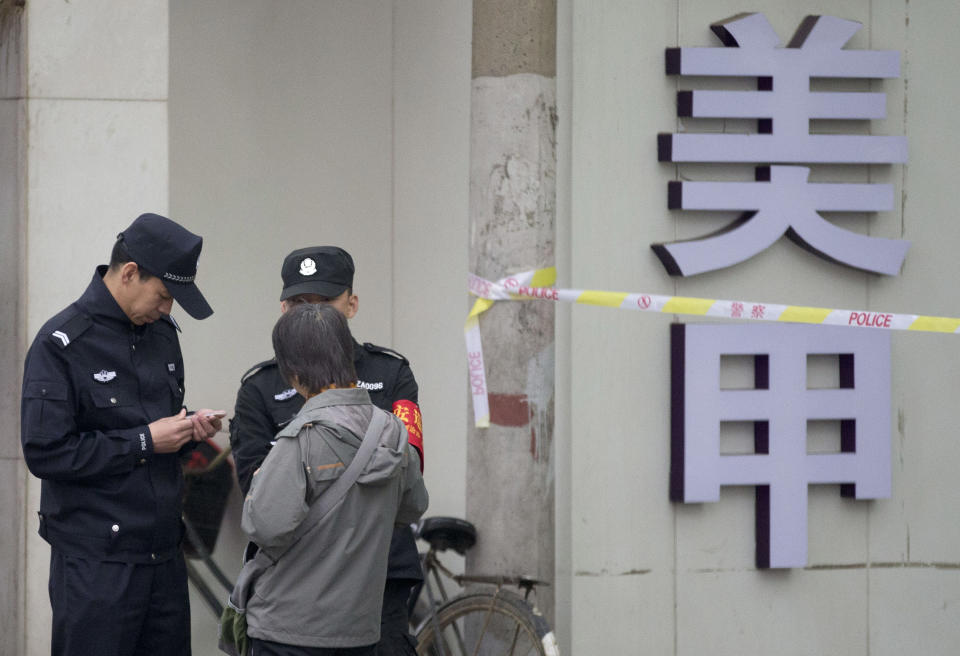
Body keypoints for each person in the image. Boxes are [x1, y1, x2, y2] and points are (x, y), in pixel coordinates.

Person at [20, 213, 223, 656]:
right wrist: (146, 441)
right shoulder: (61, 344)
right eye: (164, 296)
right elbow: (46, 453)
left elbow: (157, 431)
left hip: (164, 558)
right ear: (130, 273)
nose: (167, 310)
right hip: (97, 563)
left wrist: (188, 430)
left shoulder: (162, 335)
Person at [230, 246, 425, 654]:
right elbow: (257, 490)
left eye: (324, 303)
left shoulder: (391, 372)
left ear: (351, 305)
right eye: (300, 303)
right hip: (300, 579)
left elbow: (410, 473)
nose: (311, 314)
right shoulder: (261, 386)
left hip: (380, 573)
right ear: (283, 308)